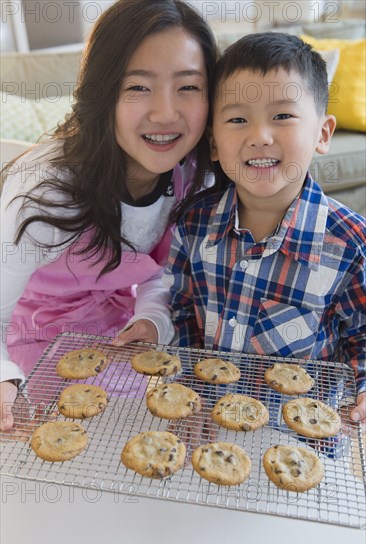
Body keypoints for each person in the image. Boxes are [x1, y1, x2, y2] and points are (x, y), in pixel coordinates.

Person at [0, 0, 217, 430]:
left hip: (117, 327)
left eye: (188, 87)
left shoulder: (194, 176)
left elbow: (163, 271)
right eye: (138, 87)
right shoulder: (46, 188)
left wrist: (152, 317)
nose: (165, 113)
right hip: (32, 335)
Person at [163, 32, 366, 431]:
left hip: (300, 438)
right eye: (238, 119)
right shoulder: (193, 224)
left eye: (283, 116)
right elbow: (183, 311)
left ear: (322, 134)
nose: (259, 136)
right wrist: (186, 386)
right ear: (215, 144)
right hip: (207, 424)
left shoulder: (350, 243)